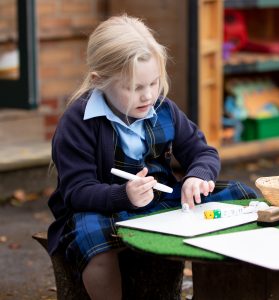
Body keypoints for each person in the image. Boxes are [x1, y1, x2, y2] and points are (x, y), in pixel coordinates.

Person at [47, 15, 257, 300]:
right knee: (94, 244)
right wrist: (124, 195)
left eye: (154, 83)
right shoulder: (79, 122)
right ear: (100, 81)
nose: (148, 96)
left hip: (162, 199)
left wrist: (198, 176)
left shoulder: (164, 109)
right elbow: (76, 192)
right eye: (134, 88)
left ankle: (231, 288)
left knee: (242, 197)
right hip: (101, 207)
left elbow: (202, 152)